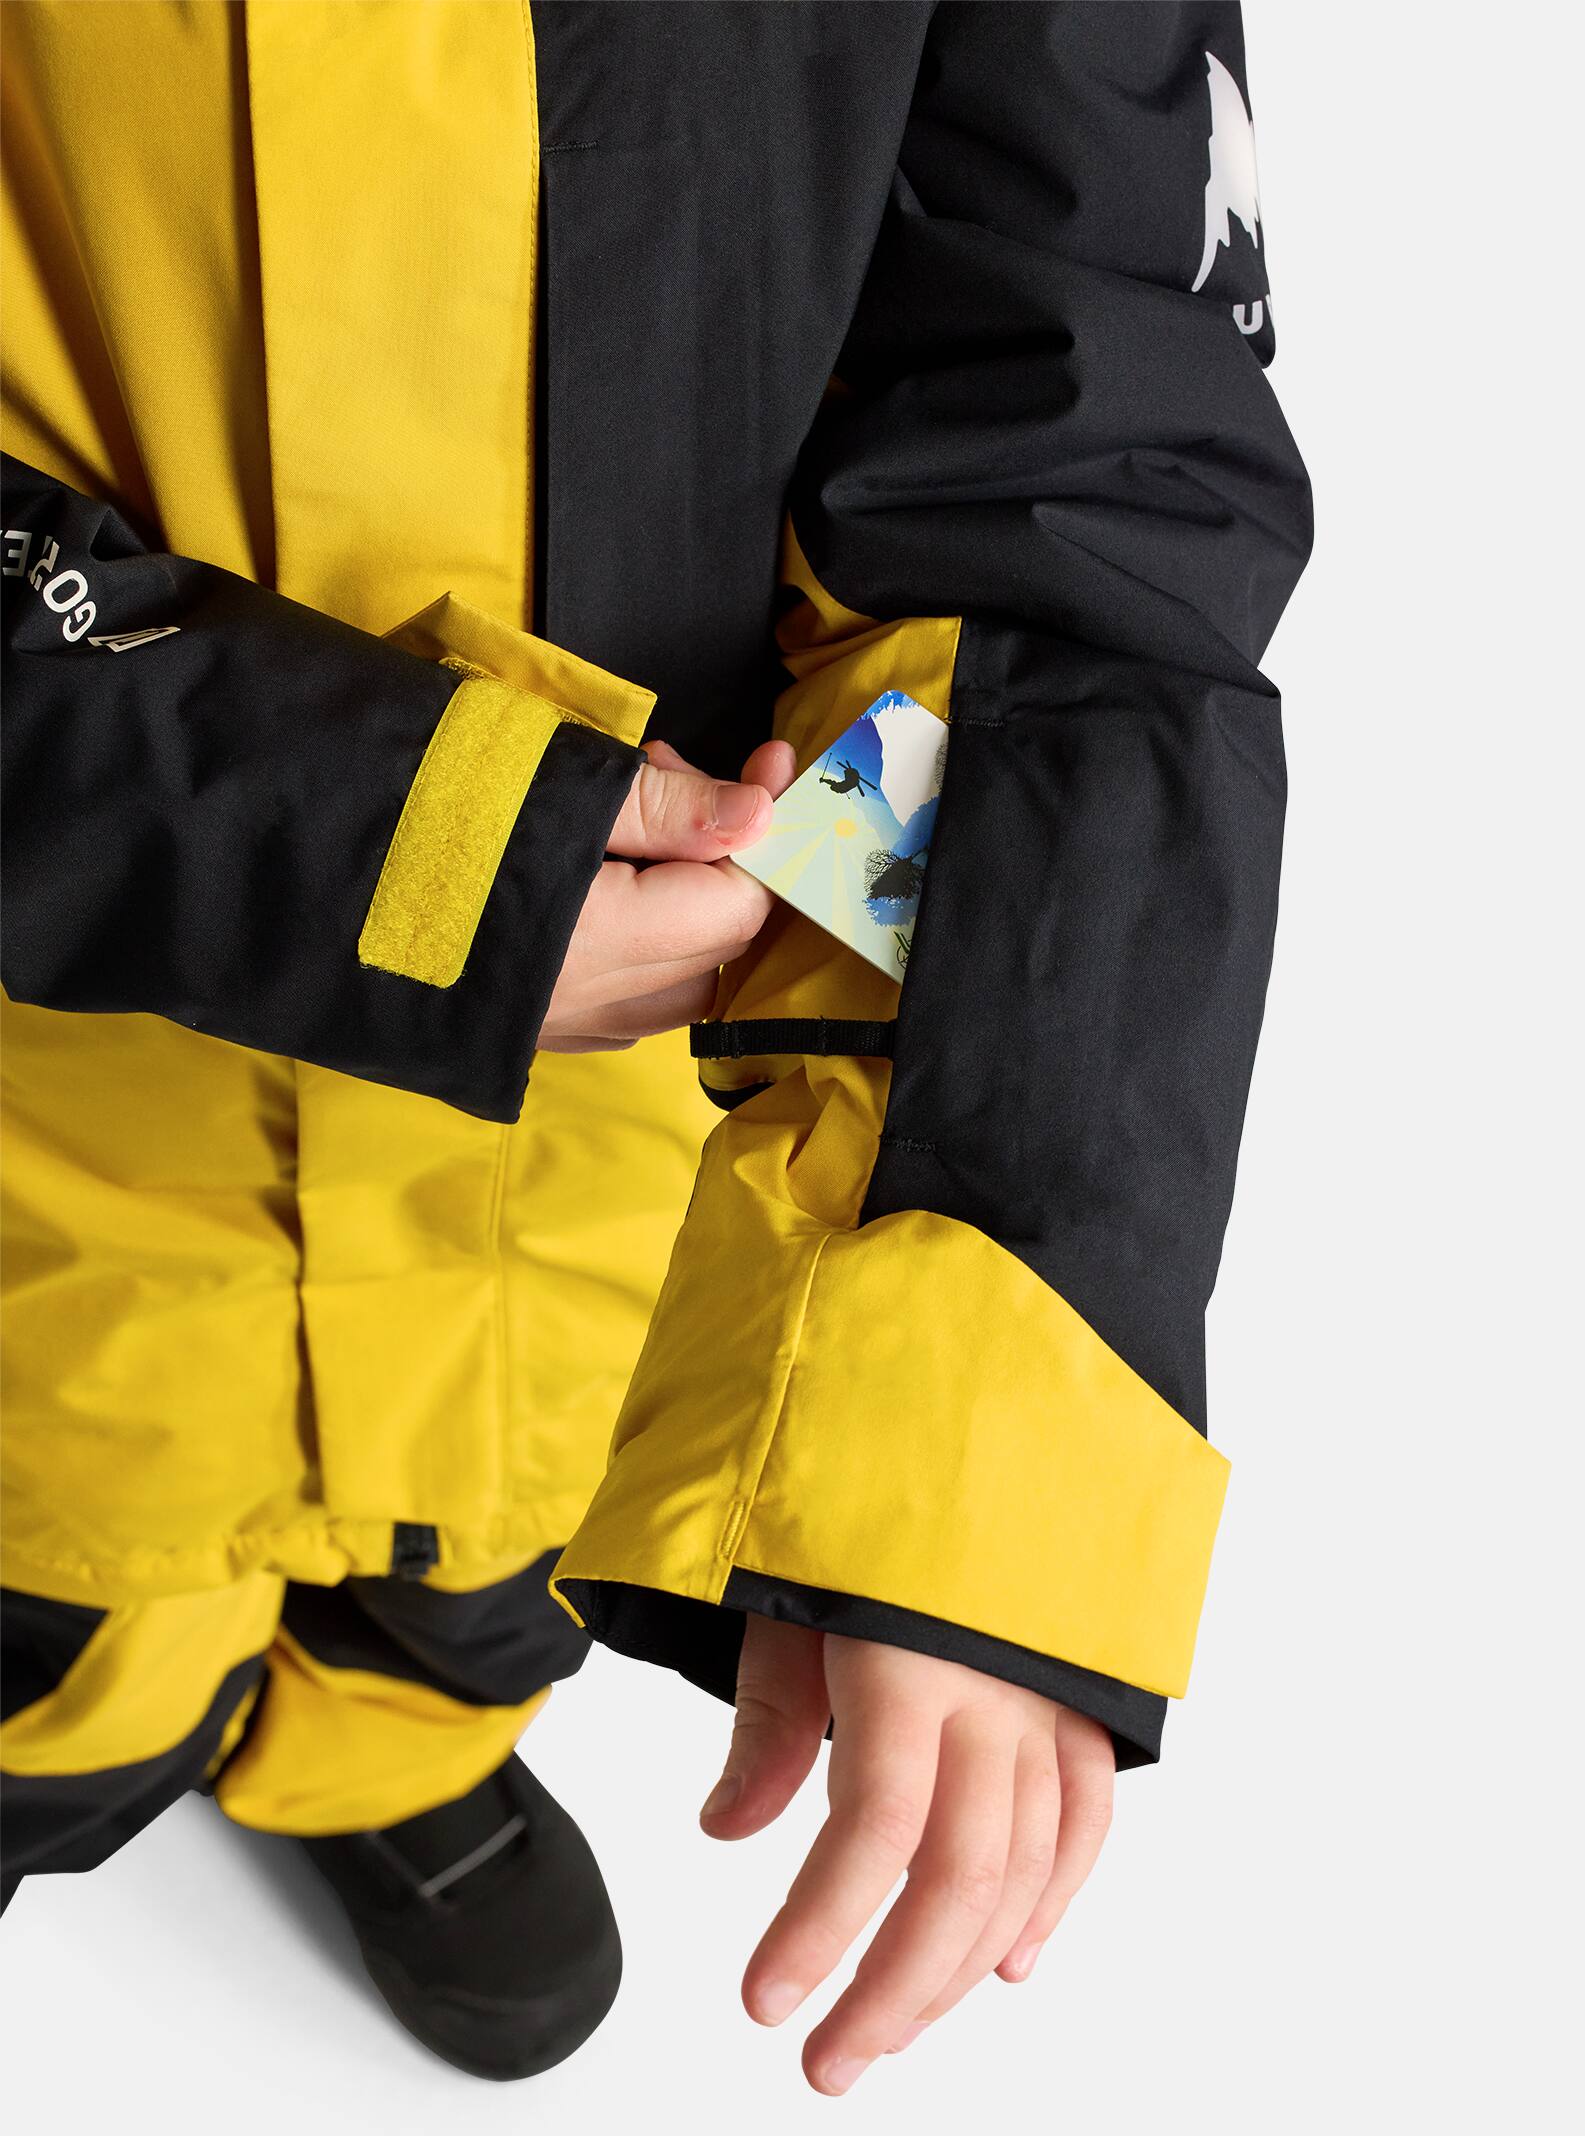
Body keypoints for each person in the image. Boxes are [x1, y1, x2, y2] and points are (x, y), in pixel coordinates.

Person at [0, 0, 1310, 2098]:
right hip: (53, 1123)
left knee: (490, 1555)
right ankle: (76, 1758)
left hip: (611, 1141)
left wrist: (963, 1364)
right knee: (54, 1600)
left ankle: (386, 1757)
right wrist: (341, 835)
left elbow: (1062, 449)